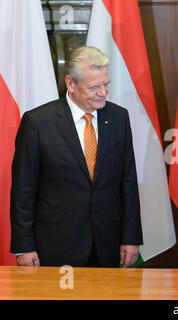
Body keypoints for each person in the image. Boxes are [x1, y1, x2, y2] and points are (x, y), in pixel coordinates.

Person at [10, 46, 143, 267]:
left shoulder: (119, 117)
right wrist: (24, 246)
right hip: (55, 245)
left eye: (106, 84)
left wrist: (131, 237)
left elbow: (127, 183)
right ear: (71, 84)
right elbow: (24, 190)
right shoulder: (38, 123)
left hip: (106, 244)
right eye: (94, 87)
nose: (103, 92)